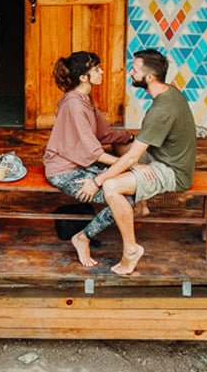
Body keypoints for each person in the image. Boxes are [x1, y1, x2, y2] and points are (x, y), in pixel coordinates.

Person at [82, 49, 197, 275]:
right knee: (120, 144)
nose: (130, 73)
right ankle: (141, 206)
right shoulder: (169, 91)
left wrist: (97, 181)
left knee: (111, 187)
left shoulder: (161, 110)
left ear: (149, 77)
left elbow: (133, 157)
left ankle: (131, 250)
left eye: (134, 70)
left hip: (173, 171)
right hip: (162, 154)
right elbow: (133, 153)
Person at [43, 52, 136, 267]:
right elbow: (94, 152)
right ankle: (82, 237)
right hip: (64, 171)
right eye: (96, 69)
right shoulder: (74, 105)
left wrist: (131, 139)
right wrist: (131, 163)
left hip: (83, 164)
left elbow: (104, 133)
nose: (101, 72)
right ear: (84, 77)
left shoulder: (85, 99)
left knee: (131, 184)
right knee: (126, 198)